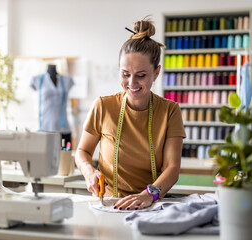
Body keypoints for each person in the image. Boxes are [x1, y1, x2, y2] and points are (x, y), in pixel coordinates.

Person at [75, 17, 186, 210]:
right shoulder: (103, 106)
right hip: (108, 205)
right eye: (125, 74)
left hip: (149, 205)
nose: (132, 83)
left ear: (156, 72)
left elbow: (172, 168)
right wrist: (88, 171)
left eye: (141, 75)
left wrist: (148, 195)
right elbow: (82, 152)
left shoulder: (170, 111)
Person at [30, 64, 74, 147]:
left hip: (63, 129)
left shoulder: (67, 80)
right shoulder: (37, 79)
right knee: (43, 158)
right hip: (44, 129)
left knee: (65, 158)